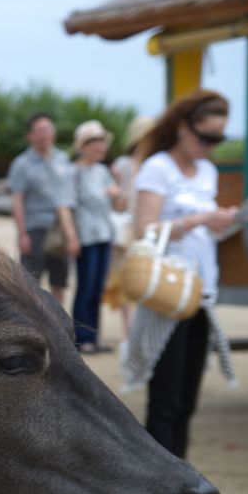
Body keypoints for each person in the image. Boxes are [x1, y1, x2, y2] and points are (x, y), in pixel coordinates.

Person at [124, 89, 238, 458]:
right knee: (167, 396)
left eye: (218, 139)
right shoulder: (158, 167)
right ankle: (160, 477)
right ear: (182, 128)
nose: (210, 146)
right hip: (168, 290)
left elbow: (203, 231)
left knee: (188, 396)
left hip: (202, 290)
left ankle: (178, 470)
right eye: (206, 137)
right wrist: (201, 218)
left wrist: (222, 222)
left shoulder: (208, 170)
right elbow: (144, 229)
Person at [61, 120, 124, 353]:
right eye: (95, 141)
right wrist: (71, 237)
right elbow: (64, 207)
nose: (101, 146)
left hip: (105, 235)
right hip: (85, 237)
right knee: (85, 287)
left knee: (98, 288)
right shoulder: (73, 172)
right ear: (84, 145)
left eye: (102, 141)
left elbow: (119, 206)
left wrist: (118, 187)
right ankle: (81, 336)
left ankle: (93, 336)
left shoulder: (104, 171)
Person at [9, 113, 75, 304]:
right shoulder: (22, 164)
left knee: (59, 281)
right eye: (39, 131)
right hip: (35, 228)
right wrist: (22, 234)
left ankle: (58, 326)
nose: (44, 134)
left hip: (59, 230)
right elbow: (17, 200)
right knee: (30, 283)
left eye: (48, 129)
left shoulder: (63, 158)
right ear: (29, 136)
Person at [105, 116, 155, 334]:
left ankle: (140, 330)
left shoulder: (157, 164)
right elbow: (118, 204)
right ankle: (130, 331)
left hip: (151, 231)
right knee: (127, 281)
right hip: (128, 232)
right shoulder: (123, 165)